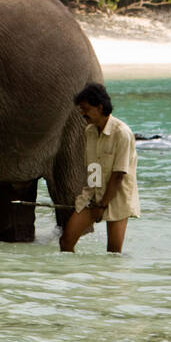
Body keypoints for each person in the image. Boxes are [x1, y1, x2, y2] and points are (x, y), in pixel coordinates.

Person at [60, 83, 140, 254]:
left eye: (86, 109)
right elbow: (93, 167)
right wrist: (93, 200)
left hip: (117, 198)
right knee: (66, 242)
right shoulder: (89, 131)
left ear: (100, 107)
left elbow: (118, 175)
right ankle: (74, 278)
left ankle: (110, 280)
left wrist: (102, 205)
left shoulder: (122, 133)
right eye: (81, 109)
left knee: (113, 253)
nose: (82, 114)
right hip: (93, 197)